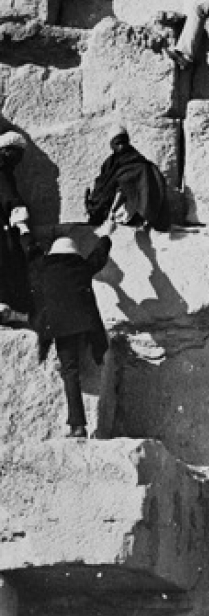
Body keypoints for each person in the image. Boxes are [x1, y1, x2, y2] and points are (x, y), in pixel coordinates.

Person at [36, 217, 116, 438]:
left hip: (61, 328)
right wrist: (107, 233)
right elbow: (99, 256)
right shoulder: (81, 267)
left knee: (70, 371)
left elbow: (30, 249)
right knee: (93, 349)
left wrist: (22, 227)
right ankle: (98, 356)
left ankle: (78, 425)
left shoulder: (44, 268)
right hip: (85, 325)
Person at [85, 125, 170, 232]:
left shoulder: (140, 163)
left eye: (123, 142)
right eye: (117, 143)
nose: (121, 146)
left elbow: (144, 185)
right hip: (110, 207)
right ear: (112, 145)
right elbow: (102, 185)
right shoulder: (109, 164)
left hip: (129, 210)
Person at [0, 130, 34, 325]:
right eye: (16, 152)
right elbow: (9, 197)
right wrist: (20, 215)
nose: (18, 159)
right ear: (5, 151)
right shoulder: (2, 171)